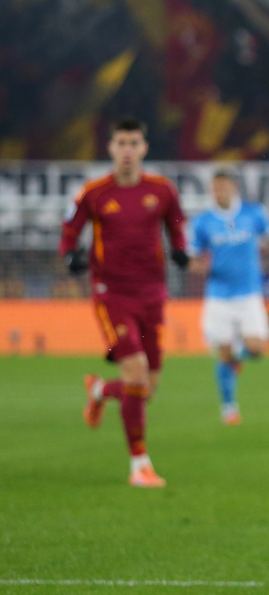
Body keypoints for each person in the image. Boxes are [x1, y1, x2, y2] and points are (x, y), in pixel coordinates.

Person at [61, 117, 189, 488]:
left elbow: (176, 224)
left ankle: (100, 390)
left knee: (146, 388)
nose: (127, 150)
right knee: (134, 375)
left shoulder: (162, 190)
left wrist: (180, 249)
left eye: (134, 143)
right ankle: (140, 466)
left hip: (153, 294)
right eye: (121, 143)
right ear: (111, 148)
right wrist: (71, 255)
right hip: (111, 294)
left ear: (144, 148)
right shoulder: (94, 192)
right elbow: (70, 231)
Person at [188, 171, 269, 425]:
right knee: (223, 353)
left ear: (233, 187)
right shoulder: (203, 222)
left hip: (249, 294)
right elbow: (192, 259)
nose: (217, 193)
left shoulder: (253, 213)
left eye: (221, 187)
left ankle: (236, 357)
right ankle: (229, 408)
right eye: (214, 188)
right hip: (218, 297)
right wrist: (202, 268)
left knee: (257, 348)